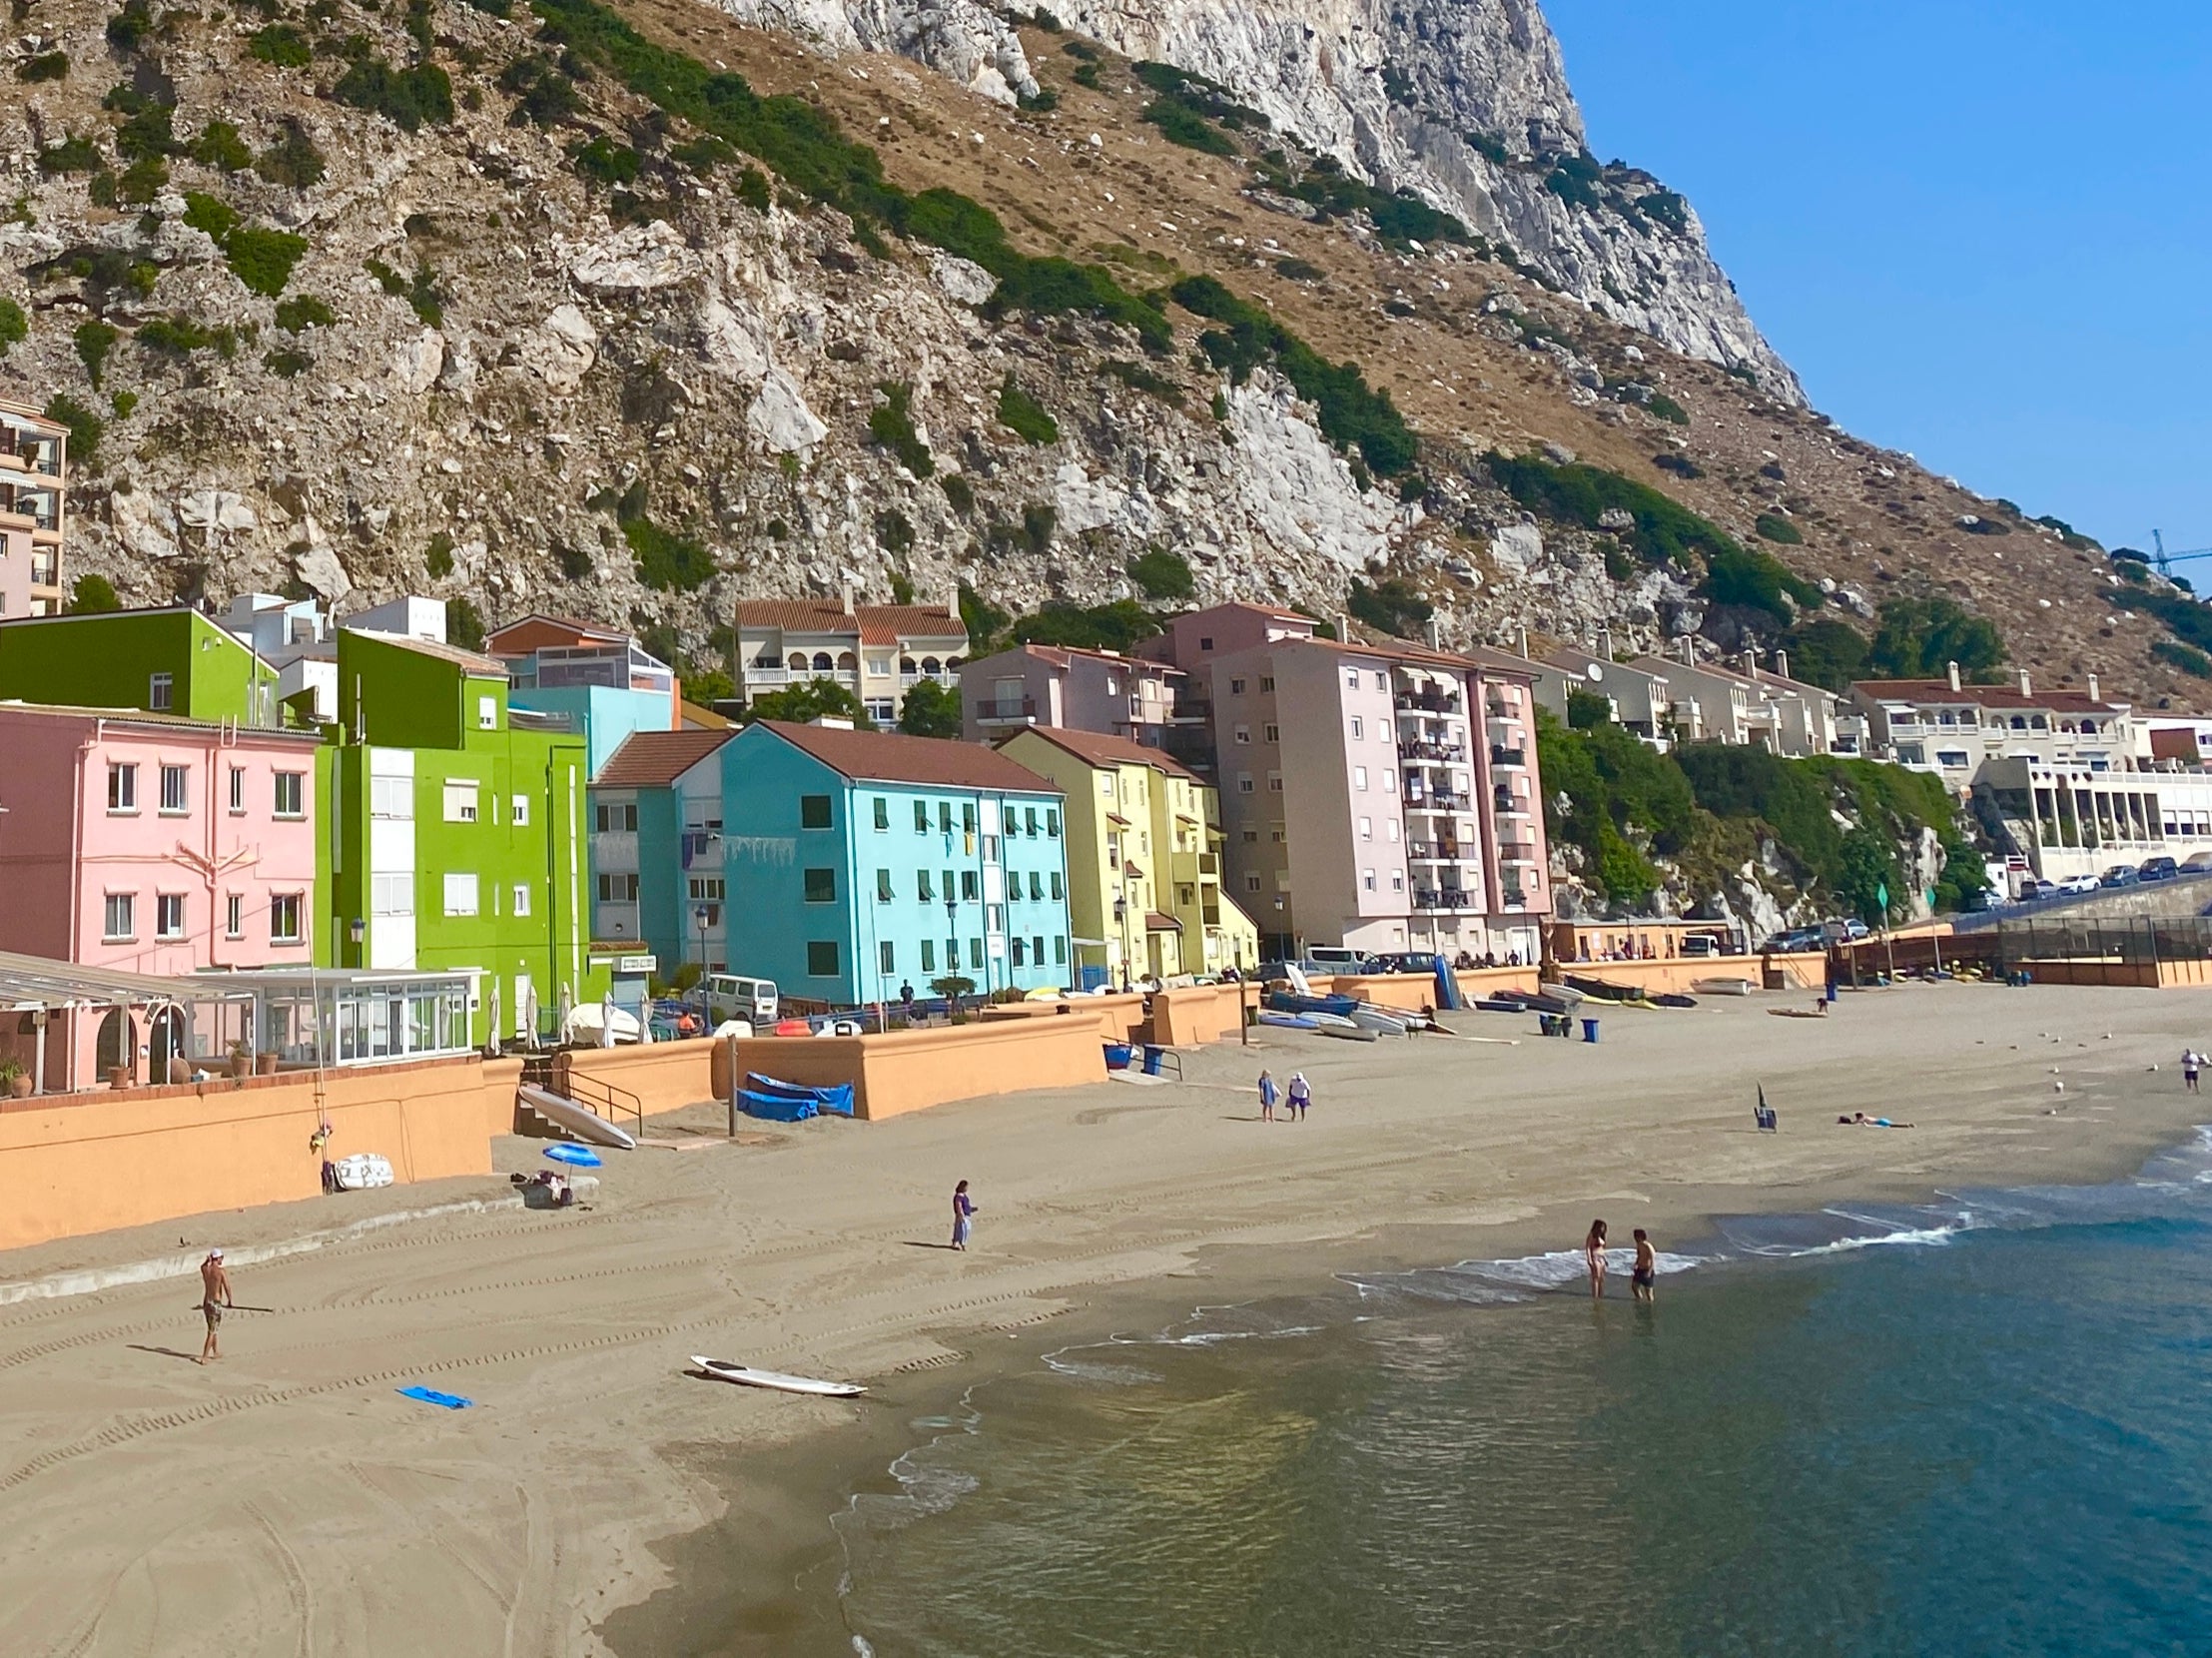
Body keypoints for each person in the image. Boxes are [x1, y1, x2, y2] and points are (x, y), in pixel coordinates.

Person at [198, 1248, 233, 1363]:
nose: (222, 1259)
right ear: (217, 1258)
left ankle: (215, 1351)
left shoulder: (205, 1269)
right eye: (221, 1257)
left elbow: (202, 1266)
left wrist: (206, 1261)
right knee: (212, 1331)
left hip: (206, 1302)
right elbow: (227, 1287)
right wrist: (230, 1301)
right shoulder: (220, 1271)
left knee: (213, 1328)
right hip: (215, 1303)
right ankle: (205, 1356)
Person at [1584, 1220, 1608, 1298]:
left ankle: (1601, 1295)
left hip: (1602, 1258)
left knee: (1602, 1278)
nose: (1602, 1229)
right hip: (1595, 1257)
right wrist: (1589, 1259)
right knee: (1596, 1277)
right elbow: (1587, 1247)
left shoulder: (1602, 1236)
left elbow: (1603, 1248)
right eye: (1601, 1227)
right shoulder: (1591, 1235)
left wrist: (1605, 1258)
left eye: (1603, 1227)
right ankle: (1595, 1296)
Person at [951, 1180, 979, 1250]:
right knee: (962, 1230)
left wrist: (971, 1209)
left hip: (966, 1216)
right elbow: (959, 1206)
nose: (967, 1188)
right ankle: (961, 1244)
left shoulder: (964, 1196)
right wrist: (961, 1214)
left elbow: (966, 1206)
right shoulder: (959, 1196)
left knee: (966, 1230)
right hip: (962, 1216)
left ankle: (959, 1243)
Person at [1631, 1229, 1656, 1302]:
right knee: (1634, 1286)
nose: (1635, 1238)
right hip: (1640, 1269)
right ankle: (1639, 1299)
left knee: (1648, 1292)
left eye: (1636, 1236)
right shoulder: (1639, 1245)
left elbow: (1652, 1259)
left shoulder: (1648, 1246)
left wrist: (1650, 1271)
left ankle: (1650, 1307)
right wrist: (1636, 1264)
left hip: (1647, 1269)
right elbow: (1639, 1255)